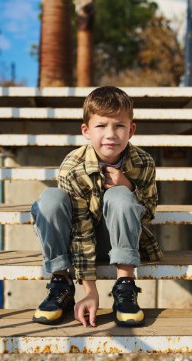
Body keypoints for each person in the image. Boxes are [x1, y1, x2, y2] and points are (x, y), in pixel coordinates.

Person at [31, 86, 162, 328]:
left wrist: (129, 186)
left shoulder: (143, 162)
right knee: (50, 199)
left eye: (119, 126)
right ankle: (61, 282)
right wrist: (90, 291)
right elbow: (80, 229)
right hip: (75, 249)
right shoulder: (72, 166)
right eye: (101, 126)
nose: (110, 134)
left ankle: (125, 286)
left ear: (131, 130)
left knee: (121, 196)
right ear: (86, 131)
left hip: (121, 245)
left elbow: (150, 212)